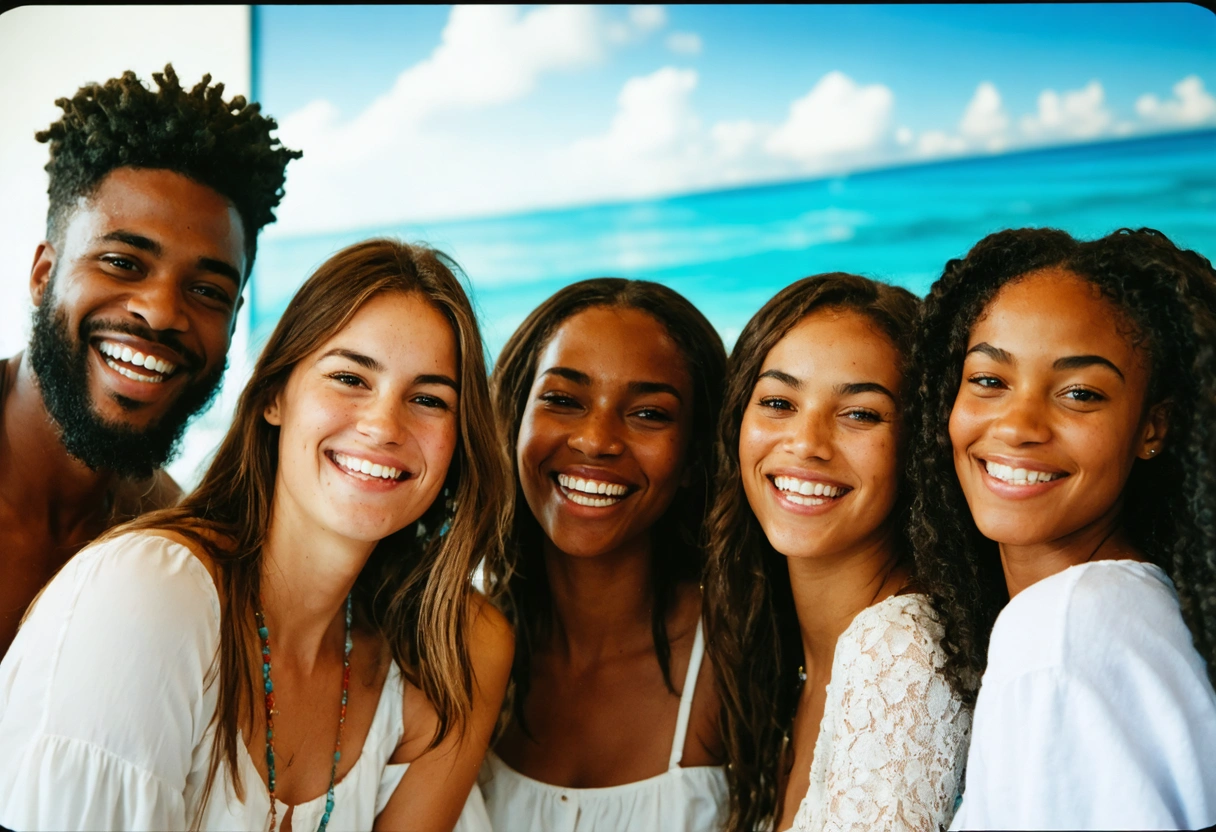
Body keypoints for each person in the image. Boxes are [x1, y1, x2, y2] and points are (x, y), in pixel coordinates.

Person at [0, 239, 514, 831]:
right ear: (274, 396)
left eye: (428, 399)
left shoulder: (438, 659)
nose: (383, 425)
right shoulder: (148, 595)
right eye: (349, 377)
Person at [906, 227, 1216, 830]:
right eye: (989, 380)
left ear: (1154, 428)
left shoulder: (1065, 626)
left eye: (1079, 393)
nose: (1018, 425)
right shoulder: (1133, 609)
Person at [0, 65, 301, 657]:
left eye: (207, 291)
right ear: (43, 276)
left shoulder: (167, 543)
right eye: (122, 262)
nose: (162, 312)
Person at [704, 274, 972, 832]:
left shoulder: (898, 648)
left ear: (921, 444)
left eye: (860, 414)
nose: (806, 442)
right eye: (778, 402)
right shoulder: (778, 652)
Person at [479, 279, 729, 832]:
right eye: (564, 401)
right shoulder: (453, 650)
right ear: (515, 419)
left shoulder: (737, 657)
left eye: (648, 414)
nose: (596, 440)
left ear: (693, 456)